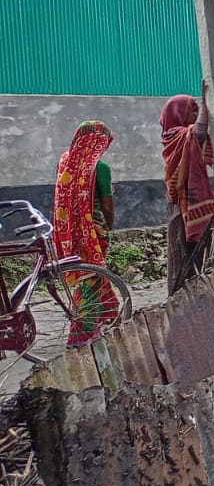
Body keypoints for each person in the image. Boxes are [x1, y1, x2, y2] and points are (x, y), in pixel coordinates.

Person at [52, 120, 118, 344]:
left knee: (88, 275)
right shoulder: (100, 167)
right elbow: (107, 206)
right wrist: (107, 228)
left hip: (68, 233)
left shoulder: (65, 162)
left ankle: (106, 317)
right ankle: (82, 332)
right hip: (93, 231)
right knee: (90, 276)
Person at [160, 88, 214, 294]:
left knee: (193, 250)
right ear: (179, 113)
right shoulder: (176, 134)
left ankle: (196, 290)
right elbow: (199, 132)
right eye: (192, 110)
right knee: (185, 249)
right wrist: (204, 104)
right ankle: (184, 293)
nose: (195, 115)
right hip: (182, 203)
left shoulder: (178, 135)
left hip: (184, 201)